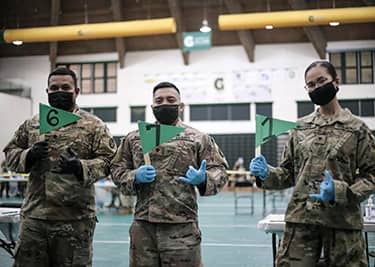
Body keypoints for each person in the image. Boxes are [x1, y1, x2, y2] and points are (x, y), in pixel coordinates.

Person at [250, 61, 375, 267]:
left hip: (342, 223)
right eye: (310, 85)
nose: (316, 88)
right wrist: (265, 173)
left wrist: (341, 191)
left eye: (321, 81)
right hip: (301, 222)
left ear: (336, 83)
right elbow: (288, 174)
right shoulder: (299, 128)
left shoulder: (357, 129)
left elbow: (374, 176)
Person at [3, 67, 116, 267]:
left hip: (75, 221)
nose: (59, 92)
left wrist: (81, 167)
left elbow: (109, 161)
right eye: (54, 88)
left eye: (66, 87)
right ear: (47, 92)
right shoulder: (32, 124)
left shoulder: (94, 125)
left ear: (77, 91)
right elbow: (10, 153)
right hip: (35, 219)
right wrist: (28, 155)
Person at [111, 81, 228, 267]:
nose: (164, 103)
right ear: (152, 106)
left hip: (182, 228)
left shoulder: (198, 138)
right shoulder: (134, 138)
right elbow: (117, 170)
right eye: (159, 100)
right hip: (143, 228)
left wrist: (204, 179)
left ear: (180, 106)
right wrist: (134, 176)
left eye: (170, 99)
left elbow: (220, 172)